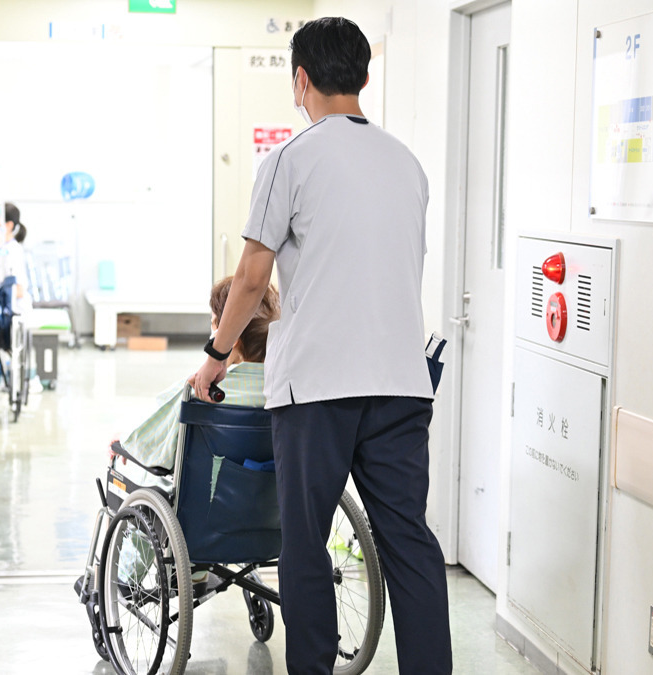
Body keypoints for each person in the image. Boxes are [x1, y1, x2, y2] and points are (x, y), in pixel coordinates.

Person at [191, 17, 452, 674]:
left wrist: (217, 356)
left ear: (300, 79)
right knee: (409, 543)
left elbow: (253, 277)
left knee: (306, 544)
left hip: (317, 388)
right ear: (363, 76)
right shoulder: (408, 164)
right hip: (401, 382)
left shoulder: (289, 160)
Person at [117, 276, 279, 475]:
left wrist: (125, 442)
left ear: (230, 338)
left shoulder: (199, 389)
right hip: (266, 490)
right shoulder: (283, 391)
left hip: (204, 488)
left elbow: (153, 444)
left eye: (213, 325)